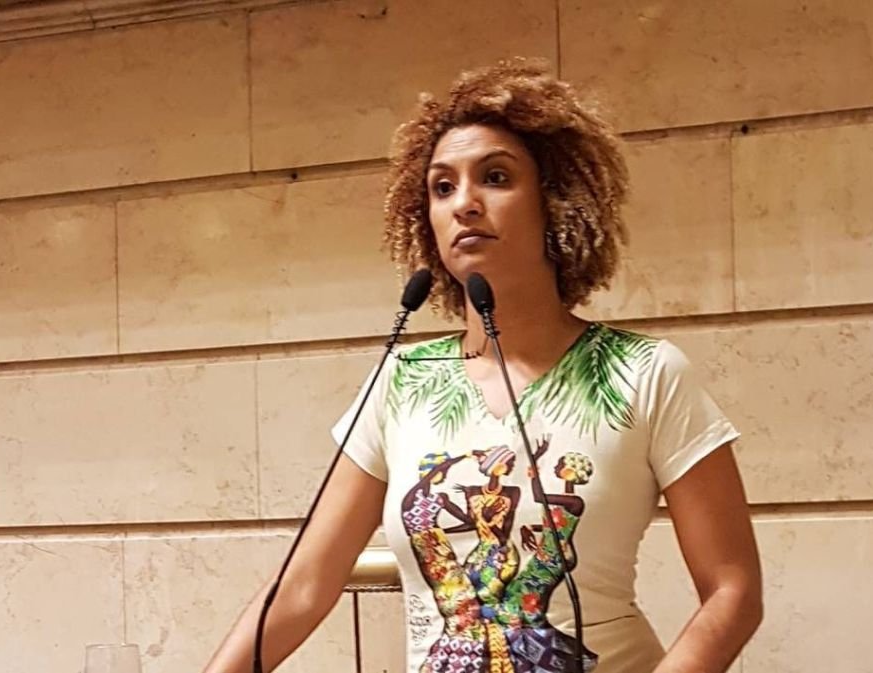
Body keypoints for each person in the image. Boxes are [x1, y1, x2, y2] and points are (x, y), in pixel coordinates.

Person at [204, 58, 762, 673]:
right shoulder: (403, 380)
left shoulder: (646, 373)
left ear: (554, 201)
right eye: (442, 187)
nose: (465, 203)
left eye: (495, 177)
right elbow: (303, 586)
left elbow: (732, 591)